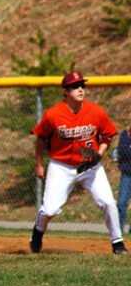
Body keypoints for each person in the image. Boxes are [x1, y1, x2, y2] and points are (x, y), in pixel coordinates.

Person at [30, 72, 128, 255]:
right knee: (50, 208)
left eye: (82, 85)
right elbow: (41, 137)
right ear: (65, 91)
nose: (80, 89)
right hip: (61, 166)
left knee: (108, 202)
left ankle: (117, 244)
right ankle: (37, 232)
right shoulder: (52, 114)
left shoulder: (96, 111)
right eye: (75, 86)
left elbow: (107, 135)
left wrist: (99, 154)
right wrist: (38, 164)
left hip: (90, 166)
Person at [115, 124, 131, 234]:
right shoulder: (125, 134)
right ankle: (118, 231)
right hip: (127, 174)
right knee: (121, 203)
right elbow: (123, 150)